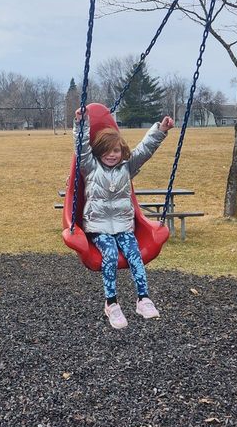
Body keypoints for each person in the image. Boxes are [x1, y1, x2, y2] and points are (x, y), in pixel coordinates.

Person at [74, 109, 174, 329]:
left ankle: (143, 299)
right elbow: (81, 148)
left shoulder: (127, 167)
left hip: (123, 226)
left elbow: (145, 150)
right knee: (110, 255)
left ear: (122, 151)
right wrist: (81, 123)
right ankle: (111, 303)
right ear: (99, 151)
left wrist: (161, 130)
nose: (112, 155)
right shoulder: (90, 167)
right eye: (107, 151)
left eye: (116, 150)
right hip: (98, 228)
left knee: (134, 254)